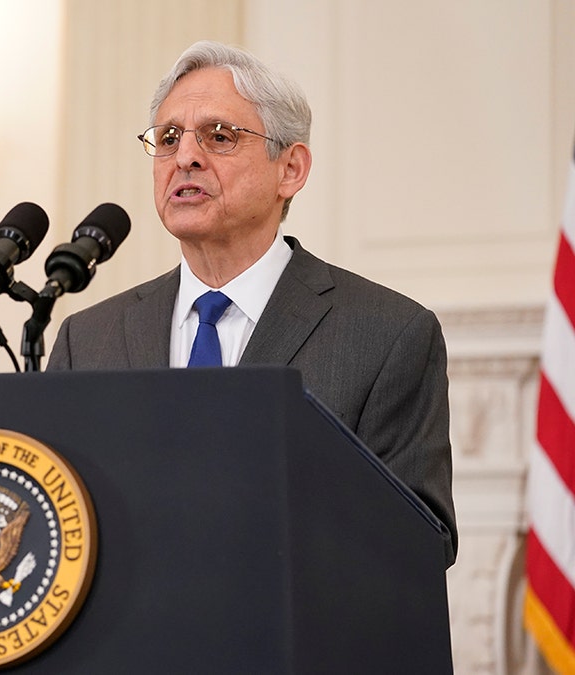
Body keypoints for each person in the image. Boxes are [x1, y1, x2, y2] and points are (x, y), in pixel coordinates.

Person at [47, 41, 456, 567]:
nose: (186, 157)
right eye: (169, 139)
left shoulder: (387, 335)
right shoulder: (89, 339)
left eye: (219, 136)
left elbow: (419, 543)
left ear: (291, 169)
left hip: (294, 643)